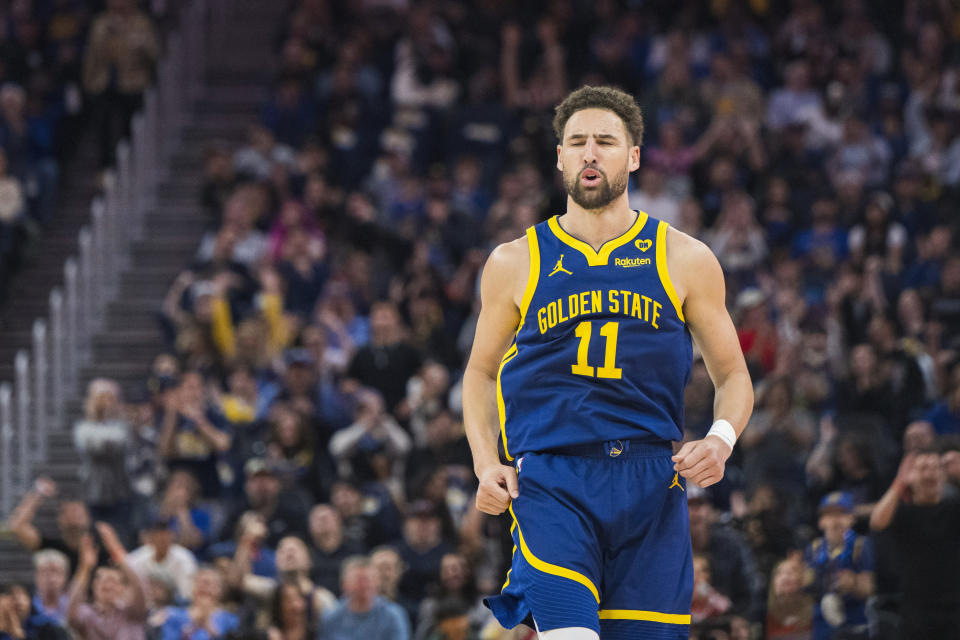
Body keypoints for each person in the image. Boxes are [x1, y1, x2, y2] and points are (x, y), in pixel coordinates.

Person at [463, 85, 753, 639]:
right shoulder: (515, 260)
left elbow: (733, 374)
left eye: (605, 141)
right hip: (551, 480)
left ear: (634, 155)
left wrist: (720, 439)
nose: (590, 153)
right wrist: (484, 462)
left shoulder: (685, 258)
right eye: (576, 142)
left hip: (651, 483)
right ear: (560, 157)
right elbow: (478, 373)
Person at [870, 449, 960, 638]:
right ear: (911, 476)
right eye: (923, 468)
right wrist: (899, 482)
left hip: (955, 610)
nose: (930, 474)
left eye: (936, 468)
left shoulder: (954, 508)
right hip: (916, 611)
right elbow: (877, 521)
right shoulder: (904, 513)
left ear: (943, 476)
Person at [803, 492, 874, 639]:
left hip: (855, 624)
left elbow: (870, 586)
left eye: (841, 514)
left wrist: (854, 584)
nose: (835, 521)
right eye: (829, 515)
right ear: (821, 521)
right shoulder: (814, 549)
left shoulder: (860, 545)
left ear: (851, 518)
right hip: (822, 626)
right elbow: (806, 587)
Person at [319, 555, 410, 640]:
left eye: (369, 580)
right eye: (358, 580)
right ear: (344, 584)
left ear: (377, 583)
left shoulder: (393, 615)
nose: (365, 585)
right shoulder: (331, 616)